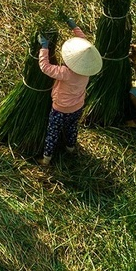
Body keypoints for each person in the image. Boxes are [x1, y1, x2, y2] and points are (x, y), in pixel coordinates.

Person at [37, 17, 103, 165]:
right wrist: (73, 26)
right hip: (77, 107)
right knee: (72, 128)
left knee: (52, 133)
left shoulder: (65, 73)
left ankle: (46, 158)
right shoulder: (87, 71)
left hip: (60, 109)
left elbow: (45, 67)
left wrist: (44, 47)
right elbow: (85, 44)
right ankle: (71, 148)